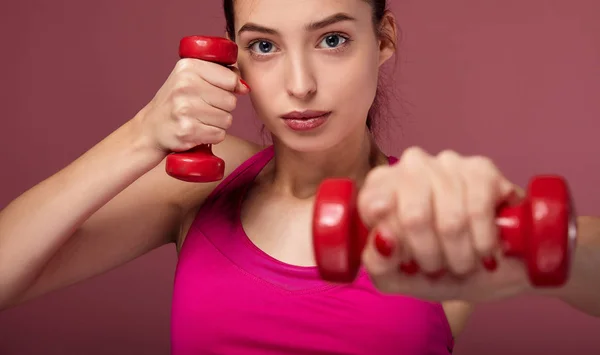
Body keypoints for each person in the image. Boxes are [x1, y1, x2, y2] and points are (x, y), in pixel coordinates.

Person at [0, 0, 599, 354]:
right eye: (263, 47)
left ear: (383, 38)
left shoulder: (429, 210)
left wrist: (521, 231)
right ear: (231, 57)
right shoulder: (203, 183)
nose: (300, 84)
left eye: (332, 39)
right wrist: (141, 137)